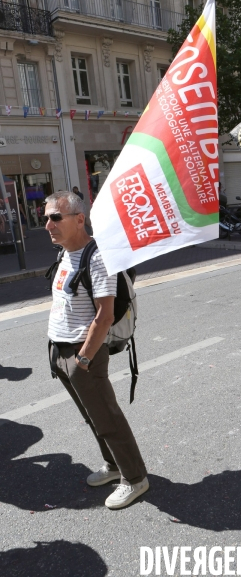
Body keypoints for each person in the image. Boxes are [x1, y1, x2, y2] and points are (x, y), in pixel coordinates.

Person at [45, 191, 148, 510]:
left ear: (79, 219)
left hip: (83, 353)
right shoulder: (65, 254)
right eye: (46, 217)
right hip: (60, 350)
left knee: (107, 416)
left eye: (55, 217)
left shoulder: (98, 257)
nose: (48, 224)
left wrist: (85, 358)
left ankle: (135, 478)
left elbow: (104, 315)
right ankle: (114, 465)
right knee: (92, 416)